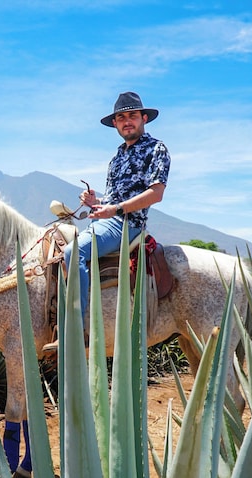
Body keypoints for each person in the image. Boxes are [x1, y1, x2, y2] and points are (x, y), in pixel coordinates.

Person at [44, 91, 170, 352]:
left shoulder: (156, 149)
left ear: (144, 118)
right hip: (108, 220)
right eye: (121, 117)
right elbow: (111, 199)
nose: (127, 121)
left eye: (132, 116)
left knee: (73, 251)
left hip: (127, 224)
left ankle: (76, 330)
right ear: (115, 124)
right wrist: (94, 201)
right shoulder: (116, 157)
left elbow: (156, 193)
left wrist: (116, 209)